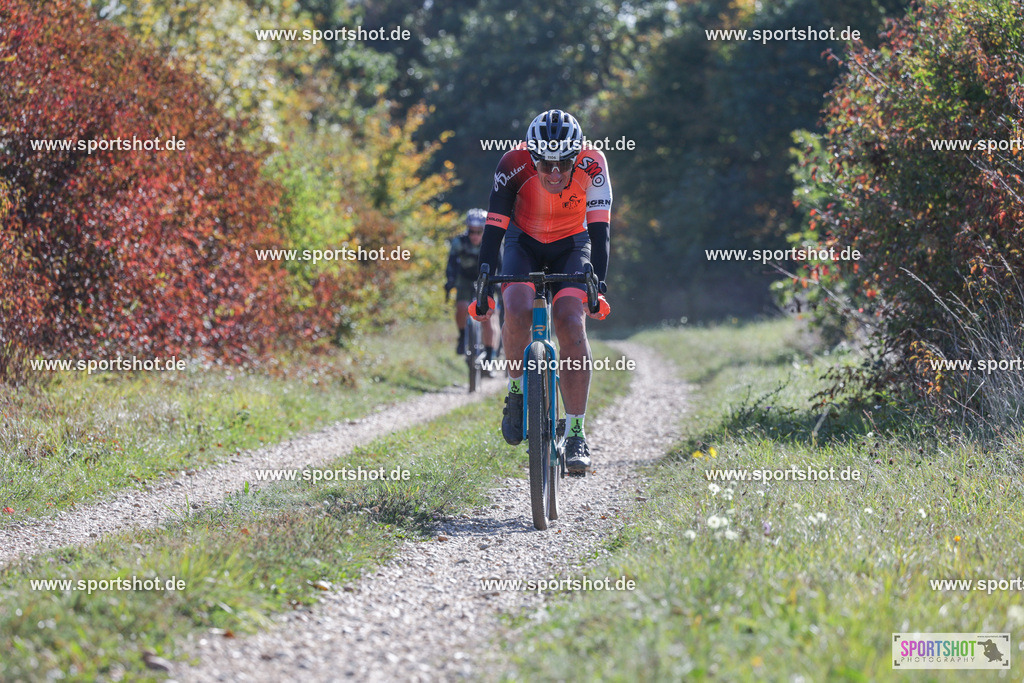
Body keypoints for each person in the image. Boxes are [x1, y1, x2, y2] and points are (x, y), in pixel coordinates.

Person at [471, 109, 611, 474]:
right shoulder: (512, 163)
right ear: (531, 155)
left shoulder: (594, 163)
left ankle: (576, 431)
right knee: (515, 309)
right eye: (544, 163)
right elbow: (494, 229)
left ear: (576, 155)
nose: (553, 172)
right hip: (523, 242)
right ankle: (516, 393)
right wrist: (483, 283)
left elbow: (599, 232)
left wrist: (600, 287)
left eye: (563, 163)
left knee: (570, 321)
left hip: (573, 244)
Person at [445, 209, 499, 363]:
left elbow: (500, 265)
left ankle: (489, 354)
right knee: (461, 307)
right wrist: (450, 280)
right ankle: (462, 336)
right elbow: (451, 264)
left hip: (487, 280)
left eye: (479, 232)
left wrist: (499, 285)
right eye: (471, 232)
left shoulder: (492, 242)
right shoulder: (459, 242)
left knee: (488, 317)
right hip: (465, 279)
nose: (475, 235)